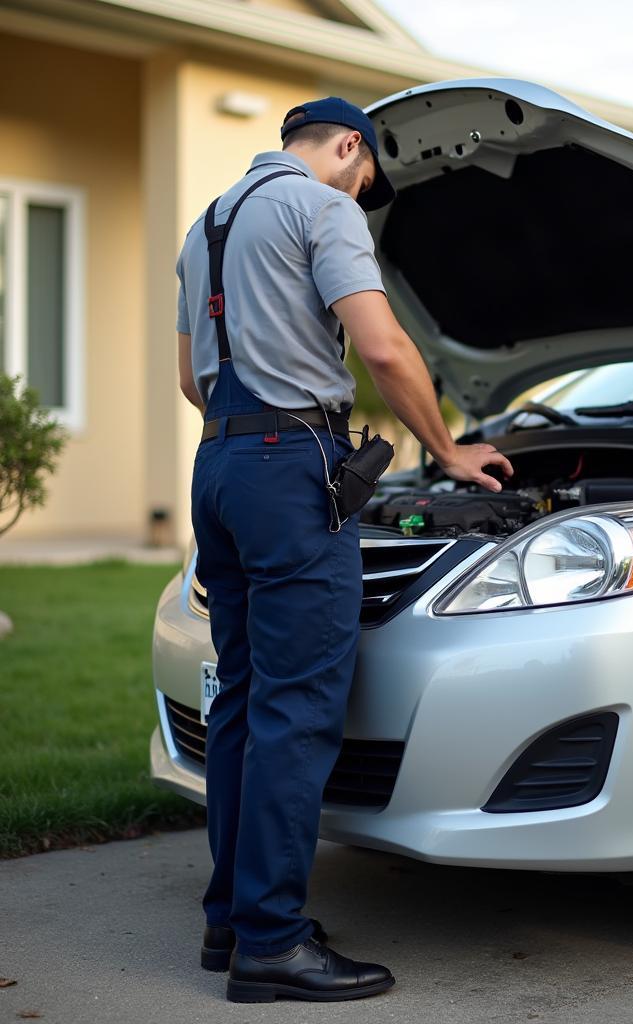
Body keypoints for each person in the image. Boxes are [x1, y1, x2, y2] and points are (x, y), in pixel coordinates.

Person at [175, 97, 513, 1004]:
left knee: (243, 702)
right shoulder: (321, 207)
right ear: (348, 148)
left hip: (219, 465)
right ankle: (275, 947)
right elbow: (384, 349)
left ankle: (233, 921)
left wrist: (249, 441)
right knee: (297, 710)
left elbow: (186, 378)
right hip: (290, 472)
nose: (363, 199)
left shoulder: (205, 225)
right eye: (367, 183)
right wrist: (446, 452)